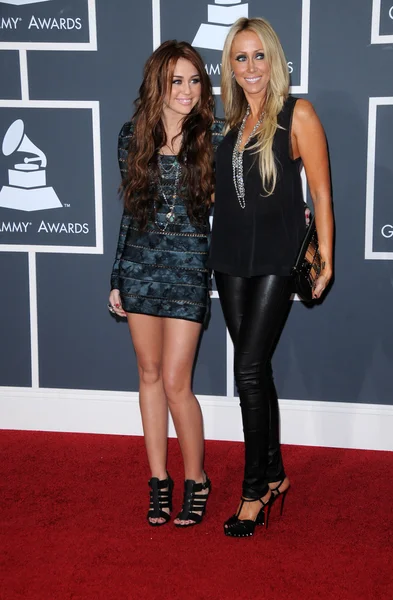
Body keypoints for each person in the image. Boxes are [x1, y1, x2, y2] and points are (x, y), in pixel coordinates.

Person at [208, 17, 334, 537]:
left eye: (259, 56)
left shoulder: (297, 113)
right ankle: (277, 474)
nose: (251, 67)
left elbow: (322, 192)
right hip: (230, 258)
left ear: (274, 60)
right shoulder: (230, 124)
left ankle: (254, 490)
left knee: (249, 370)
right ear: (230, 68)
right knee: (253, 370)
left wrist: (325, 255)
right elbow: (223, 197)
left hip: (278, 259)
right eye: (241, 58)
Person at [109, 40, 223, 527]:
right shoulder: (130, 136)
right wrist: (117, 275)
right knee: (149, 375)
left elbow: (239, 207)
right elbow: (130, 216)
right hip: (140, 269)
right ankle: (159, 480)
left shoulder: (215, 138)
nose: (188, 90)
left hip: (188, 270)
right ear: (158, 83)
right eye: (177, 80)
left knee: (177, 382)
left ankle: (196, 478)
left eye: (195, 80)